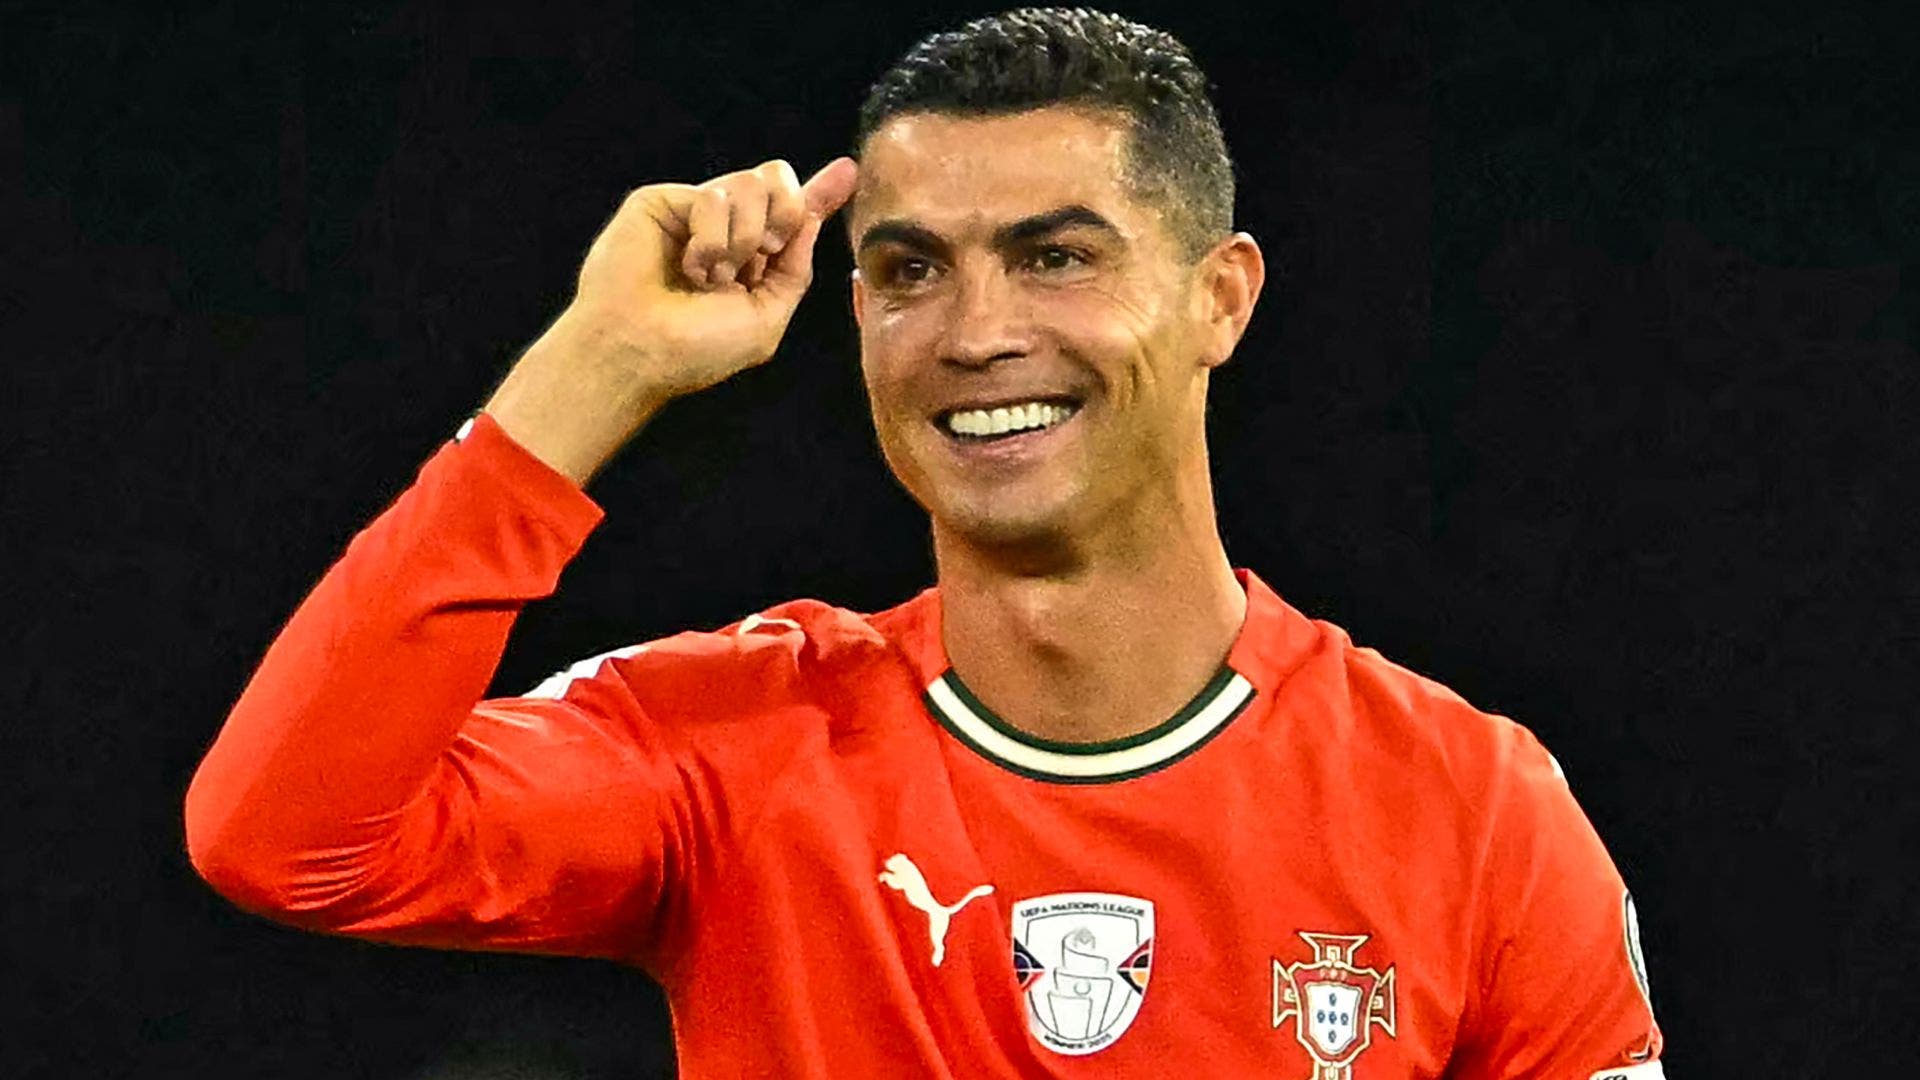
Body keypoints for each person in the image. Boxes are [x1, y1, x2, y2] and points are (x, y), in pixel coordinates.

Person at [185, 8, 1666, 1077]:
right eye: (909, 271)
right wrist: (601, 364)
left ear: (1220, 297)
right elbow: (283, 842)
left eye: (1056, 256)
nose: (975, 333)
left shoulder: (1474, 813)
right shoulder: (728, 750)